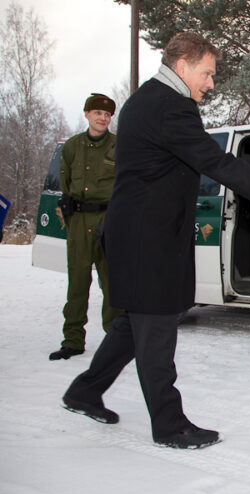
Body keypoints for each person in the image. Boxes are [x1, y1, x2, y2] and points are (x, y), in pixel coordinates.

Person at [61, 32, 250, 449]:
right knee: (156, 326)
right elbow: (215, 161)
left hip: (140, 233)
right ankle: (169, 424)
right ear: (184, 66)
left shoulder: (148, 98)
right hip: (147, 238)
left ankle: (85, 391)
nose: (211, 84)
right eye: (208, 74)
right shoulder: (170, 107)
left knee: (132, 323)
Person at [49, 94, 121, 361]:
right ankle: (72, 340)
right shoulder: (71, 147)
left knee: (111, 283)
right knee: (77, 281)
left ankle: (115, 341)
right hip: (79, 219)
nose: (102, 118)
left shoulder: (119, 146)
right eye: (98, 113)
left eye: (107, 115)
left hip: (108, 219)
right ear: (87, 114)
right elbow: (66, 184)